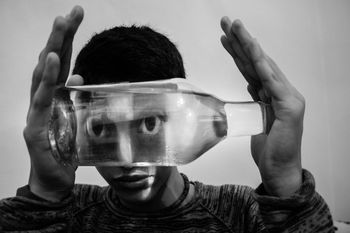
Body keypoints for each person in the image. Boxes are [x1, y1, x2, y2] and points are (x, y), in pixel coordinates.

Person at [0, 5, 334, 232]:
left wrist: (286, 184)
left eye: (149, 124)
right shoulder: (68, 213)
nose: (128, 161)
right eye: (101, 128)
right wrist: (45, 194)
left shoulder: (241, 211)